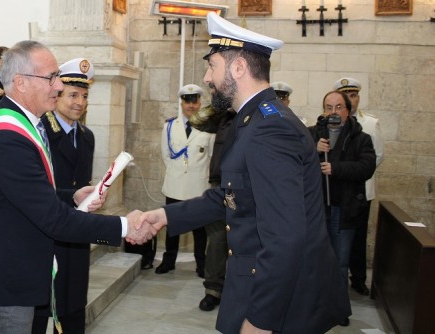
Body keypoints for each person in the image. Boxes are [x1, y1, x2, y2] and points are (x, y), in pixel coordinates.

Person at [138, 13, 351, 333]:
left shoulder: (271, 129)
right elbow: (231, 195)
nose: (208, 78)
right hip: (254, 282)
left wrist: (260, 321)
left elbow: (285, 238)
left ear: (238, 68)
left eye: (212, 66)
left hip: (277, 301)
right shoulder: (249, 120)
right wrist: (165, 216)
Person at [0, 40, 154, 334]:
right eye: (51, 77)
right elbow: (51, 217)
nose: (58, 87)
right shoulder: (8, 137)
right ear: (21, 83)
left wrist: (70, 195)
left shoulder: (23, 126)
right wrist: (126, 227)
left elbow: (24, 196)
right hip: (8, 279)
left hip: (20, 269)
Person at [32, 58, 96, 334]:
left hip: (76, 232)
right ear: (57, 94)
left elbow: (82, 182)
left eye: (84, 96)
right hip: (45, 230)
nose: (79, 102)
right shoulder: (39, 130)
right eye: (72, 95)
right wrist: (72, 196)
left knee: (73, 302)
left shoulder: (86, 135)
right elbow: (35, 192)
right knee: (39, 307)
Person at [309, 91, 376, 326]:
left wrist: (336, 168)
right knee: (316, 259)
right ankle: (316, 303)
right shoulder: (312, 133)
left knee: (339, 261)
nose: (333, 112)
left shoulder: (362, 138)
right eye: (329, 107)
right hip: (316, 209)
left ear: (348, 110)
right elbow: (293, 161)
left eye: (339, 107)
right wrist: (312, 150)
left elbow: (366, 167)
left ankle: (337, 308)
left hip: (343, 209)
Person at [155, 84, 214, 277]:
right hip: (175, 185)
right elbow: (165, 154)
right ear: (181, 102)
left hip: (198, 186)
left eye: (194, 101)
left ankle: (201, 264)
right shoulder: (170, 126)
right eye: (187, 101)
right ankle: (169, 261)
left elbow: (211, 157)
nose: (191, 105)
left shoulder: (209, 128)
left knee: (200, 230)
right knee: (172, 226)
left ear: (199, 102)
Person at [333, 77, 384, 296]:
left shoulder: (370, 124)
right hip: (336, 191)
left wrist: (356, 171)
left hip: (362, 190)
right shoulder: (330, 124)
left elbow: (378, 155)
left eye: (353, 95)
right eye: (347, 96)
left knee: (358, 237)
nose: (351, 100)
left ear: (358, 98)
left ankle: (359, 278)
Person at [189, 102, 234, 311]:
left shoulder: (256, 115)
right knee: (216, 239)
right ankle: (213, 290)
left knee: (240, 241)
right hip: (220, 185)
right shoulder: (224, 116)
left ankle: (237, 290)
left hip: (244, 188)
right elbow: (197, 121)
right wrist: (220, 104)